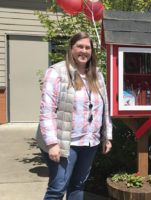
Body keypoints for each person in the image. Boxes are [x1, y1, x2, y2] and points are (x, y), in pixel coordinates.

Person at [36, 32, 112, 200]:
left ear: (91, 51)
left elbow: (104, 107)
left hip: (89, 141)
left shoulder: (97, 74)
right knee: (57, 189)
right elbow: (46, 111)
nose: (83, 51)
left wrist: (107, 136)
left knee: (78, 186)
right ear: (71, 48)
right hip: (64, 143)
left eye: (87, 47)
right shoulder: (56, 72)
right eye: (80, 46)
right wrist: (52, 143)